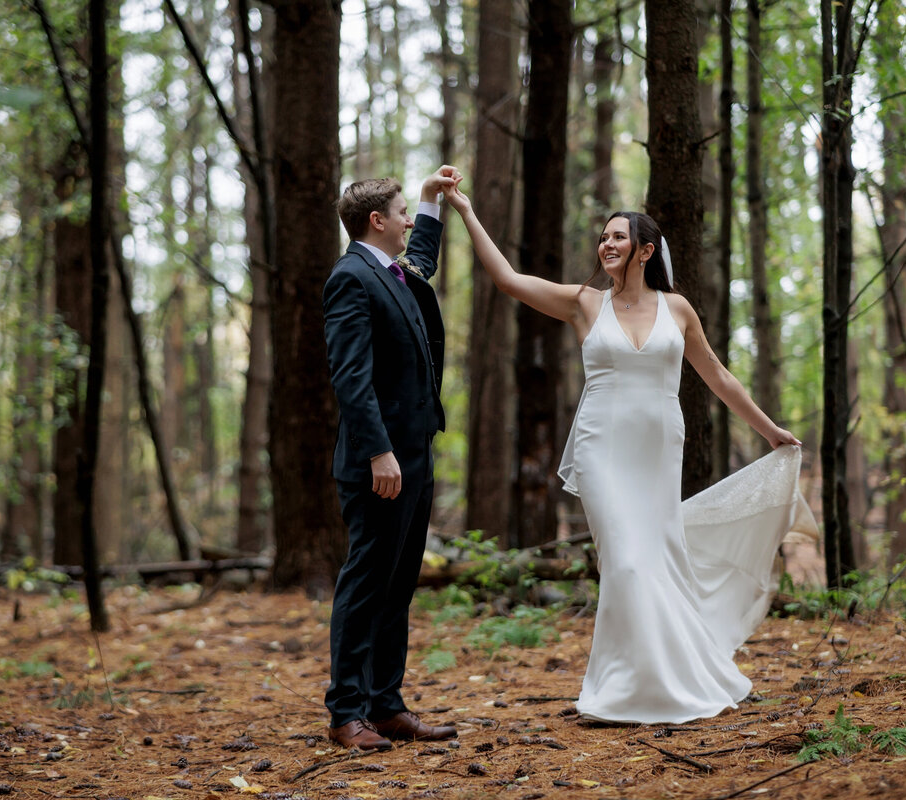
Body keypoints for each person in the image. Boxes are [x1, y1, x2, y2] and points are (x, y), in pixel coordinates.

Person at [445, 188, 817, 725]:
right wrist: (466, 210)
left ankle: (672, 678)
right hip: (601, 447)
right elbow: (509, 281)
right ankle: (619, 689)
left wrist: (768, 430)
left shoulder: (678, 309)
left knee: (659, 559)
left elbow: (719, 377)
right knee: (624, 560)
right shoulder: (585, 303)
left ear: (646, 249)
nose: (606, 244)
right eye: (603, 238)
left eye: (618, 236)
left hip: (659, 448)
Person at [322, 167, 463, 750]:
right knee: (366, 584)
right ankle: (345, 714)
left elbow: (422, 261)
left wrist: (431, 201)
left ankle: (386, 706)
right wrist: (379, 451)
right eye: (404, 211)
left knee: (398, 585)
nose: (410, 221)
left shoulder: (392, 271)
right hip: (378, 464)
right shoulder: (351, 278)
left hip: (414, 455)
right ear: (377, 221)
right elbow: (350, 377)